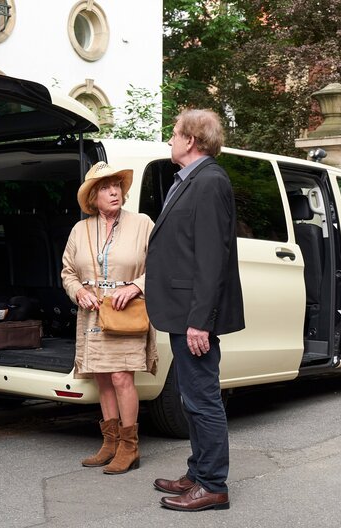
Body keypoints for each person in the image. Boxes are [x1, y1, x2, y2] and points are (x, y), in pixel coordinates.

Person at [145, 109, 245, 511]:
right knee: (191, 396)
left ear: (191, 140)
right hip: (181, 309)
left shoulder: (209, 182)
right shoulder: (188, 180)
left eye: (174, 134)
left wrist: (200, 322)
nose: (169, 140)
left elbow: (211, 259)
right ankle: (198, 471)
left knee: (202, 399)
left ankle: (213, 484)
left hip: (193, 314)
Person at [61, 161, 158, 475]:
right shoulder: (80, 229)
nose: (114, 191)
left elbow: (161, 264)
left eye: (117, 185)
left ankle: (130, 447)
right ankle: (110, 442)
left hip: (126, 310)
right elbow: (68, 273)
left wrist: (135, 286)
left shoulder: (142, 223)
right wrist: (78, 292)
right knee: (102, 376)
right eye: (105, 187)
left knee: (121, 377)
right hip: (93, 313)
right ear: (93, 196)